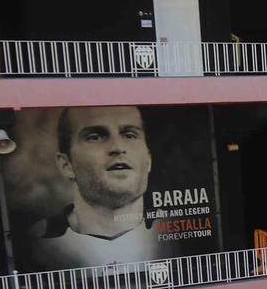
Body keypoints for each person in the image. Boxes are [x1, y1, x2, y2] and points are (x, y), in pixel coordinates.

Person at [24, 106, 167, 270]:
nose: (117, 147)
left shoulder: (178, 233)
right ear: (66, 164)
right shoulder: (35, 244)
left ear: (148, 161)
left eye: (129, 135)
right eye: (95, 137)